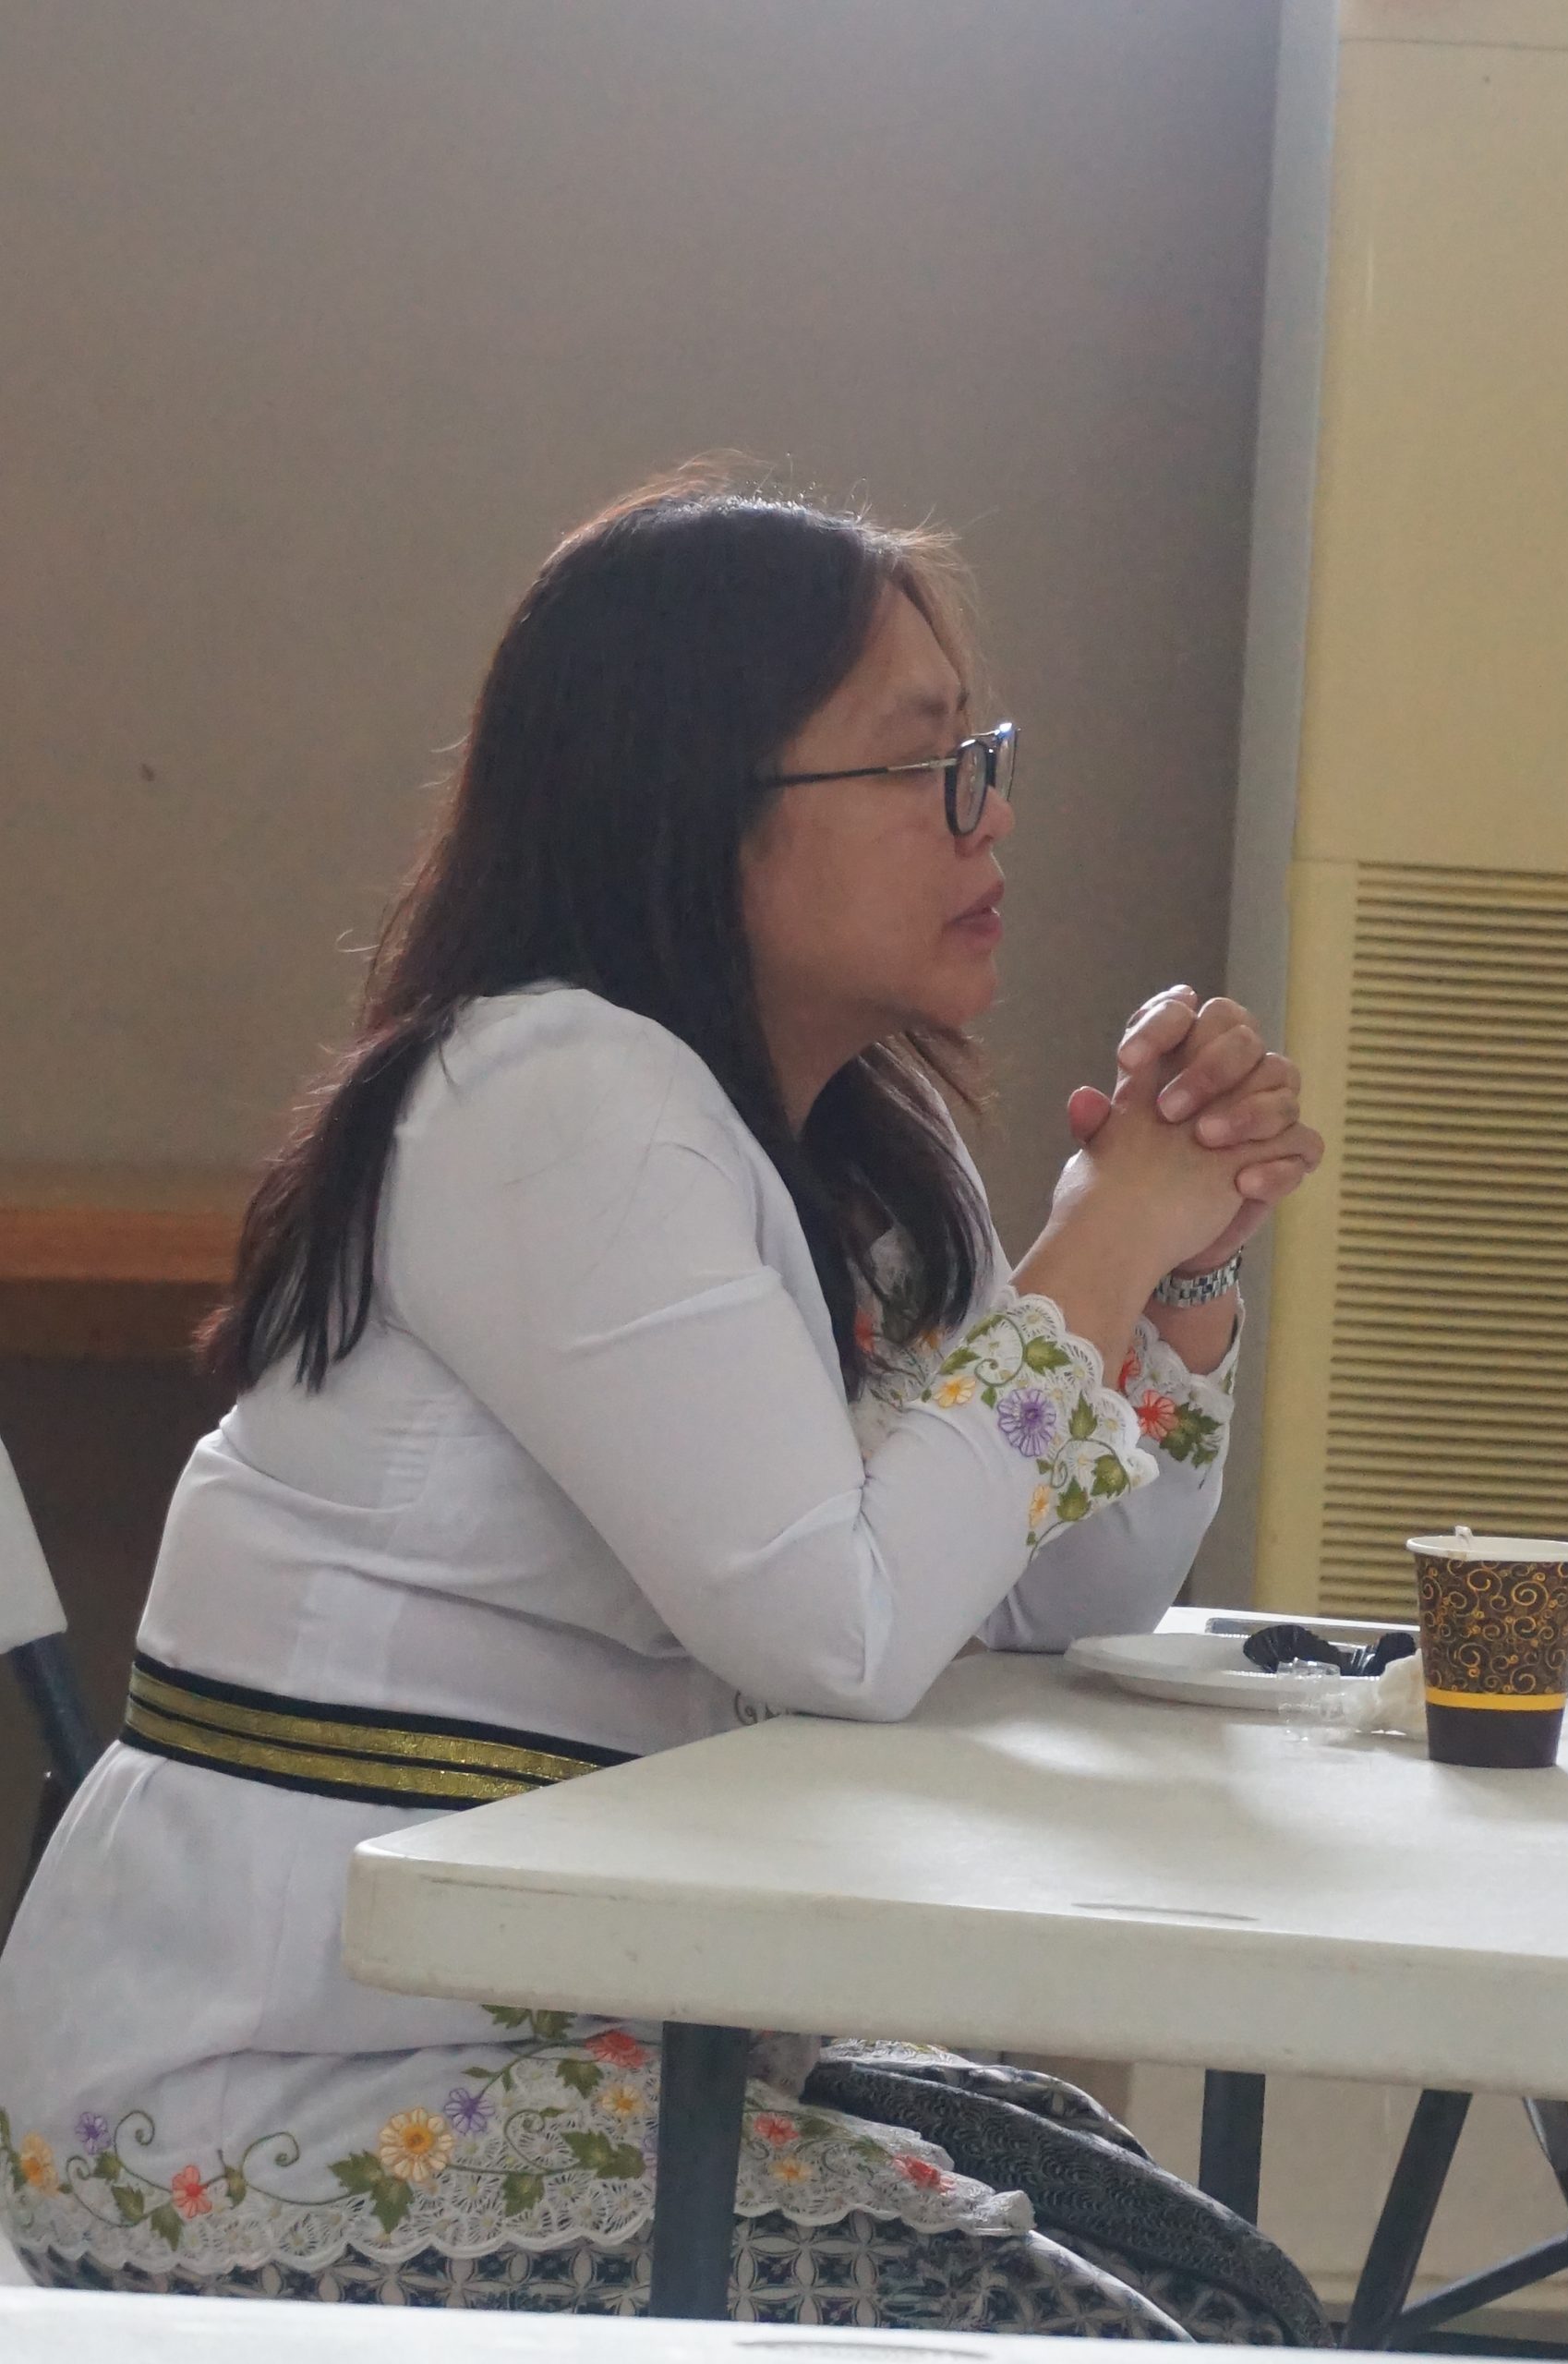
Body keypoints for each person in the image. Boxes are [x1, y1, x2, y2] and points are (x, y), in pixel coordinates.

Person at [0, 463, 1326, 2334]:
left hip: (574, 2038)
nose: (994, 814)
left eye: (985, 755)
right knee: (1101, 2329)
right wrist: (1100, 1238)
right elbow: (838, 1631)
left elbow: (1052, 1594)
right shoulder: (555, 1102)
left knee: (1222, 2284)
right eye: (925, 762)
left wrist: (1171, 1275)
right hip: (277, 2084)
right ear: (699, 797)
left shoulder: (851, 1141)